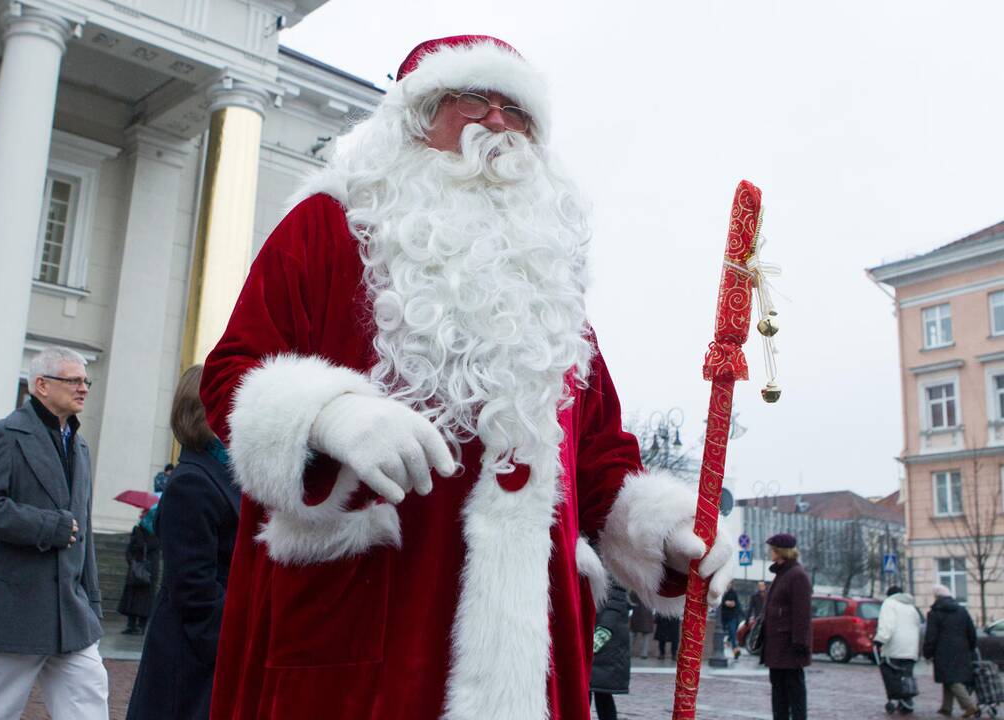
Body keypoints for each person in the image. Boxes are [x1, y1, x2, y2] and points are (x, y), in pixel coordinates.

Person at [200, 35, 737, 720]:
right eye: (474, 100)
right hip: (363, 617)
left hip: (524, 649)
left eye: (518, 110)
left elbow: (598, 458)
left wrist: (663, 532)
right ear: (414, 117)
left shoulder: (551, 293)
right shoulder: (328, 229)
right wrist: (331, 416)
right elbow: (229, 376)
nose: (498, 123)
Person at [0, 346, 107, 719]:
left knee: (89, 704)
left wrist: (93, 602)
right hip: (10, 610)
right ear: (40, 384)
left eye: (85, 380)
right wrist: (49, 526)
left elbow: (82, 530)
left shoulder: (80, 445)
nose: (83, 387)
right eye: (73, 380)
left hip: (71, 615)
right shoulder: (1, 434)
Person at [126, 365, 242, 720]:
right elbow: (193, 585)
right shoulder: (193, 480)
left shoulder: (227, 471)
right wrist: (235, 641)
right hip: (195, 650)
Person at [760, 533, 811, 720]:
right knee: (778, 692)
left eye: (772, 549)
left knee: (795, 693)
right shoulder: (782, 574)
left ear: (780, 551)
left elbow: (802, 614)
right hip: (777, 646)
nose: (769, 553)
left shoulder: (797, 576)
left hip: (790, 647)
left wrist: (800, 643)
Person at [923, 584, 978, 718]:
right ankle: (946, 707)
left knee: (952, 679)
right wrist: (971, 647)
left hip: (943, 651)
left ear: (936, 597)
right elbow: (971, 632)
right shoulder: (962, 610)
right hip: (962, 649)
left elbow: (931, 636)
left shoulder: (934, 613)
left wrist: (927, 652)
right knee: (949, 677)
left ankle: (969, 705)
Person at [874, 584, 921, 715]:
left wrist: (880, 640)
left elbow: (887, 625)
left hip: (895, 647)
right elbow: (917, 626)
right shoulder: (911, 607)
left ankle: (896, 699)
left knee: (893, 675)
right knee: (907, 676)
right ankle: (907, 700)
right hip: (910, 649)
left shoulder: (889, 604)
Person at [590, 583, 631, 720]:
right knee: (587, 692)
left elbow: (617, 598)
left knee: (601, 694)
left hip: (606, 637)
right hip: (593, 629)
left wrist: (604, 630)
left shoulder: (612, 565)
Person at [117, 510, 160, 635]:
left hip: (148, 570)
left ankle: (142, 626)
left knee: (145, 599)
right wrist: (131, 562)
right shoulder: (138, 530)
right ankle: (131, 625)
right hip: (137, 568)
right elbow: (131, 548)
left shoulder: (157, 532)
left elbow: (152, 546)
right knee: (132, 597)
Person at [721, 581, 744, 659]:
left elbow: (735, 604)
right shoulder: (722, 591)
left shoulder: (733, 593)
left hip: (732, 616)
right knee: (728, 633)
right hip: (723, 617)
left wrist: (728, 603)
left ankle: (735, 651)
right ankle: (729, 642)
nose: (728, 585)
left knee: (733, 633)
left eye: (729, 583)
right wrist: (725, 603)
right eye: (727, 583)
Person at [629, 592, 655, 658]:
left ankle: (628, 652)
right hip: (647, 615)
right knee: (645, 636)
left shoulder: (635, 590)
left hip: (636, 614)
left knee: (632, 634)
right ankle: (644, 654)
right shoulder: (651, 591)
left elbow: (631, 600)